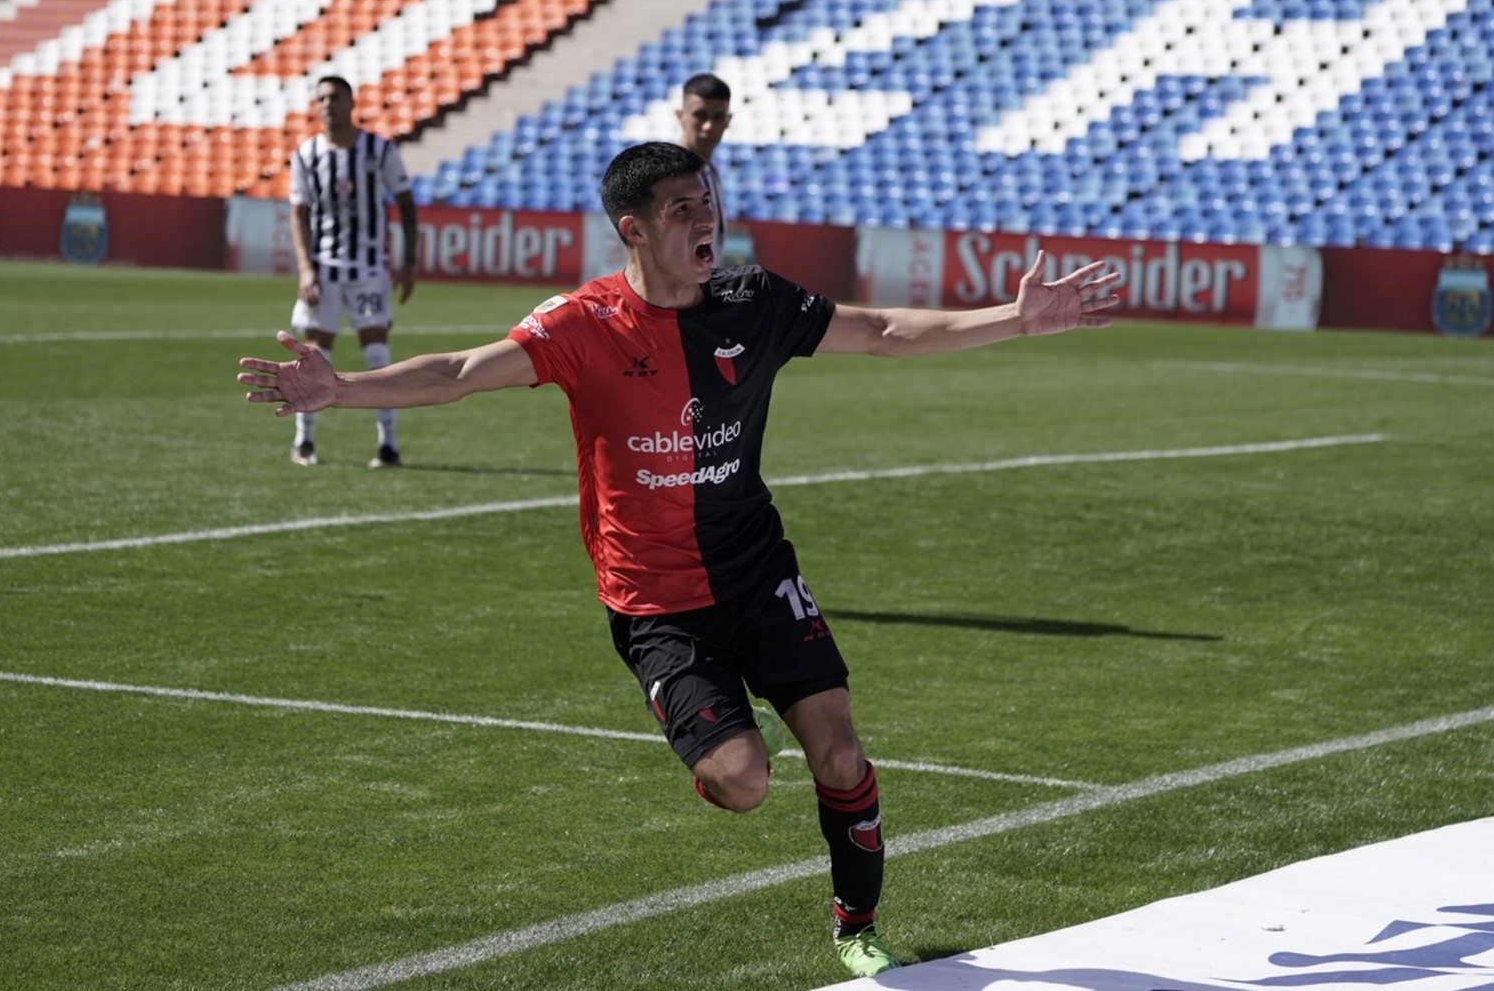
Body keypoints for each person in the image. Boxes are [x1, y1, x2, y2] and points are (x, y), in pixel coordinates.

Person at [238, 141, 1120, 978]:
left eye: (708, 203)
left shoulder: (754, 300)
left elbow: (886, 329)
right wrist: (342, 390)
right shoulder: (583, 323)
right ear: (633, 228)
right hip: (654, 599)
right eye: (682, 209)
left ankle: (857, 928)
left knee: (840, 752)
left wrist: (1015, 319)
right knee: (742, 783)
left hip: (757, 571)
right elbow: (460, 371)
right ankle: (718, 751)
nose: (707, 220)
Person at [286, 73, 418, 469]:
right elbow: (298, 213)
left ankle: (388, 445)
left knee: (377, 353)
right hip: (323, 269)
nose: (328, 104)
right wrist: (305, 268)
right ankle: (304, 441)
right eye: (322, 98)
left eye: (336, 97)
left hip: (369, 268)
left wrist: (409, 262)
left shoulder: (379, 150)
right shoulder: (306, 154)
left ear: (351, 103)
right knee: (314, 353)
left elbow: (406, 204)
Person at [674, 72, 732, 266]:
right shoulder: (667, 174)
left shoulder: (711, 171)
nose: (708, 126)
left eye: (718, 117)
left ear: (728, 121)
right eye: (700, 115)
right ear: (680, 116)